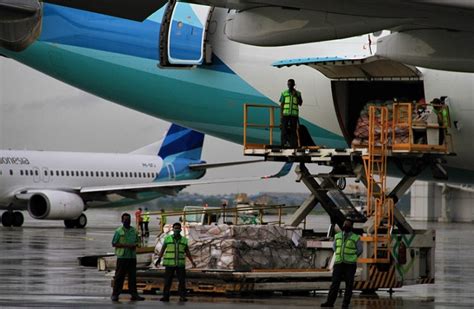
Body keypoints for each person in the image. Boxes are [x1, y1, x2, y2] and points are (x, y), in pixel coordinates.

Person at [321, 219, 362, 308]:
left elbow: (359, 250)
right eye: (344, 224)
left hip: (350, 264)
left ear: (351, 226)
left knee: (349, 285)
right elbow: (334, 247)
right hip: (339, 263)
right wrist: (340, 254)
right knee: (334, 284)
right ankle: (330, 302)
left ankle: (345, 304)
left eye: (347, 224)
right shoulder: (337, 236)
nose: (345, 225)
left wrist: (351, 257)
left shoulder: (356, 237)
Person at [155, 222, 196, 302]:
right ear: (173, 229)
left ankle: (182, 296)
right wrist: (159, 259)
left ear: (180, 230)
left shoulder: (184, 240)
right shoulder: (167, 238)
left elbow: (187, 251)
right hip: (169, 264)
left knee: (181, 281)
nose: (176, 230)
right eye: (175, 228)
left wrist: (192, 261)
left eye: (178, 228)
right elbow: (163, 249)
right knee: (167, 281)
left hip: (180, 264)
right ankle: (166, 296)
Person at [111, 213, 145, 302]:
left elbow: (139, 242)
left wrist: (136, 245)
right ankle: (115, 294)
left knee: (132, 277)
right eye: (125, 219)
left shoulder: (134, 231)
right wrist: (126, 245)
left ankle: (134, 294)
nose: (127, 221)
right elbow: (114, 243)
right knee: (119, 277)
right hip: (122, 257)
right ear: (122, 221)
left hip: (132, 257)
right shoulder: (119, 231)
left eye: (128, 219)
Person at [279, 79, 303, 148]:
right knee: (284, 129)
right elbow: (282, 104)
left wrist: (296, 96)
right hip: (285, 114)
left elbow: (300, 103)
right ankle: (283, 144)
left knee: (293, 130)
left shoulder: (298, 93)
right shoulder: (284, 93)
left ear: (294, 85)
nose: (289, 85)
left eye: (291, 84)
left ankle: (293, 144)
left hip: (294, 114)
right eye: (288, 84)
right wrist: (281, 116)